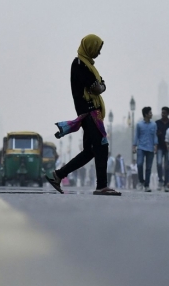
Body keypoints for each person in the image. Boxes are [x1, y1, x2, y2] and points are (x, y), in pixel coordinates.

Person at [46, 34, 121, 195]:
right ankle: (101, 186)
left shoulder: (87, 64)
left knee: (90, 151)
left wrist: (100, 85)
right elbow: (96, 87)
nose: (99, 53)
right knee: (102, 145)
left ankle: (57, 175)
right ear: (90, 47)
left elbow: (99, 85)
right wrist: (100, 86)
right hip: (89, 112)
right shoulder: (80, 64)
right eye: (97, 49)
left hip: (91, 112)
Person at [133, 107, 157, 192]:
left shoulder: (154, 124)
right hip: (141, 147)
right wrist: (134, 146)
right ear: (146, 114)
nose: (151, 114)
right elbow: (136, 135)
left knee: (148, 167)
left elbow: (155, 135)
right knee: (139, 164)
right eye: (150, 113)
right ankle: (141, 181)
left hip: (150, 148)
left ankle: (147, 185)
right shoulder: (139, 124)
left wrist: (155, 146)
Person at [155, 107, 169, 191]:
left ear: (168, 114)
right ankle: (160, 180)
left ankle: (166, 183)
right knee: (159, 163)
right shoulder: (157, 123)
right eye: (162, 113)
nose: (163, 114)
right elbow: (154, 134)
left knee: (167, 166)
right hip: (159, 146)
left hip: (168, 147)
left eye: (164, 113)